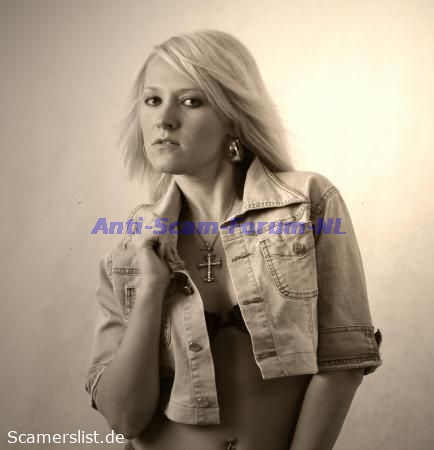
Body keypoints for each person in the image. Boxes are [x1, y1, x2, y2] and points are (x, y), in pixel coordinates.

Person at [85, 29, 382, 450]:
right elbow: (124, 418)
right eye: (152, 100)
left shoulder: (307, 204)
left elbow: (343, 362)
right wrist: (151, 286)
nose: (164, 118)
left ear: (232, 116)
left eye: (191, 101)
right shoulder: (127, 252)